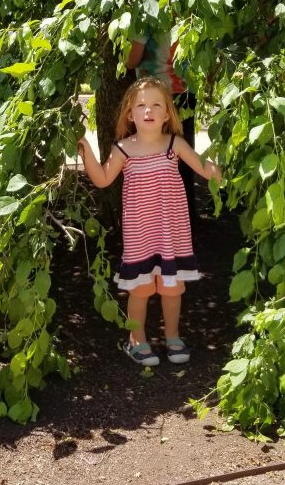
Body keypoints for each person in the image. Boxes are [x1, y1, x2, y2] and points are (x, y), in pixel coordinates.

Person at [77, 77, 221, 367]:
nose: (148, 110)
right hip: (141, 233)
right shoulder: (123, 149)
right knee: (140, 288)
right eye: (141, 105)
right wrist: (87, 150)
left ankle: (173, 336)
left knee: (172, 288)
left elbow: (206, 170)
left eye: (156, 104)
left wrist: (228, 158)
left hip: (172, 231)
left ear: (168, 113)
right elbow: (103, 179)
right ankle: (136, 340)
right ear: (130, 114)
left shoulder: (175, 144)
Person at [126, 33, 198, 228]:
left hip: (154, 96)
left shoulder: (147, 14)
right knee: (183, 160)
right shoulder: (189, 8)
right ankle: (184, 224)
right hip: (185, 93)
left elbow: (131, 61)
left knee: (152, 158)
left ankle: (153, 226)